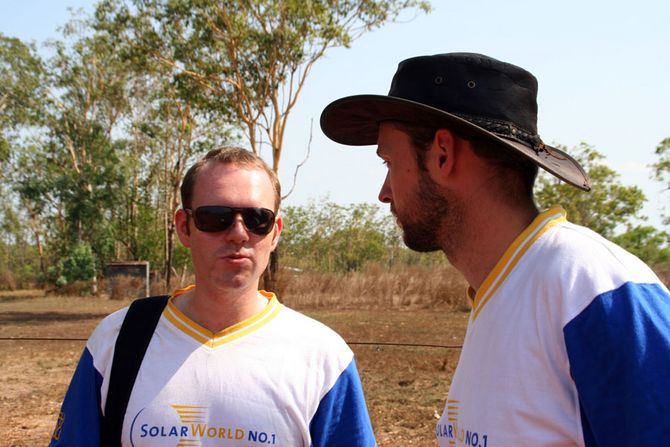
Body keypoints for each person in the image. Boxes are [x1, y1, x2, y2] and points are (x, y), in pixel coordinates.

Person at [320, 52, 670, 446]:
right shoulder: (504, 289)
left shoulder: (591, 285)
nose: (383, 193)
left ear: (442, 154)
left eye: (388, 161)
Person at [50, 146, 376, 446]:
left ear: (275, 232)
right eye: (215, 217)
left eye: (256, 219)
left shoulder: (324, 358)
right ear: (184, 227)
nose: (237, 233)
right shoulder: (117, 340)